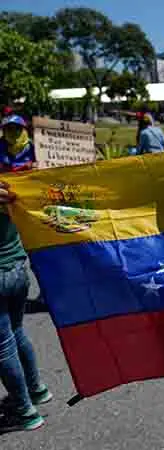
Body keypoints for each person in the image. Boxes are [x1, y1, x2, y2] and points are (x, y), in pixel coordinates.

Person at [0, 115, 53, 432]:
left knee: (3, 345)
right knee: (17, 332)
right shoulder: (8, 188)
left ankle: (24, 411)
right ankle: (36, 389)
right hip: (18, 268)